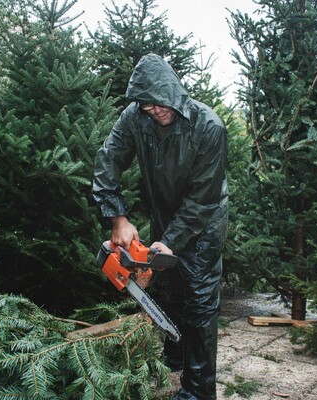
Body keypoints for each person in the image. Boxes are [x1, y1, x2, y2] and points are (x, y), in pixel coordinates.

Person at [92, 53, 228, 400]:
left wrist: (172, 241)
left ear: (174, 91)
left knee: (199, 299)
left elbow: (202, 200)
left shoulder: (208, 127)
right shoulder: (134, 119)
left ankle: (199, 390)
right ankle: (179, 353)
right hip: (164, 212)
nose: (155, 110)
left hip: (204, 219)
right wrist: (118, 218)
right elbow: (108, 159)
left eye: (159, 103)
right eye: (146, 105)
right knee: (172, 289)